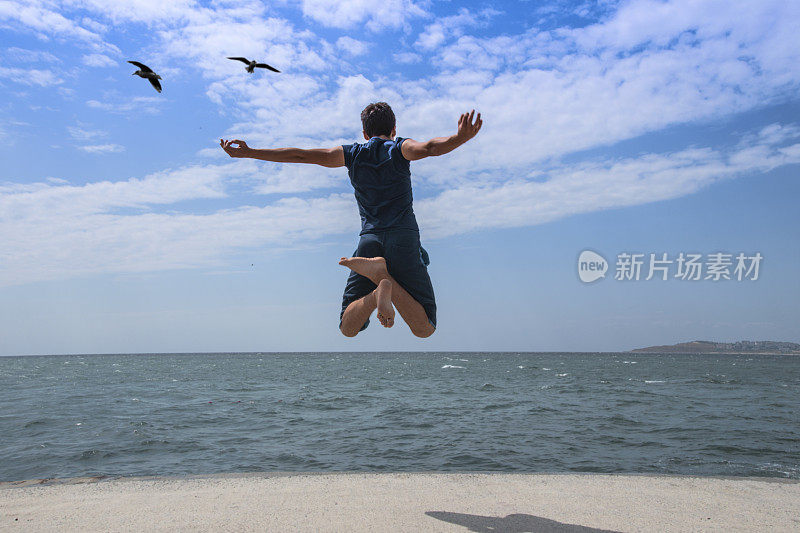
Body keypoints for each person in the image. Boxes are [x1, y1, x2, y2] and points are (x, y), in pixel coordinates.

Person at [220, 102, 482, 338]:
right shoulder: (400, 147)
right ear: (394, 128)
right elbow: (430, 148)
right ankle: (382, 278)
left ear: (365, 134)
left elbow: (301, 155)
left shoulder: (351, 154)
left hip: (369, 241)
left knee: (348, 328)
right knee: (425, 328)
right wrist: (459, 137)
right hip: (403, 237)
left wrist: (250, 152)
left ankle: (378, 287)